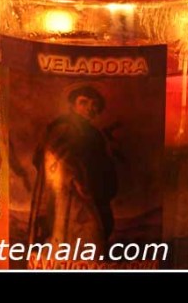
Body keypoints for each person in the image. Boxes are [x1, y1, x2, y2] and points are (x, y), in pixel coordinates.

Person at [28, 85, 118, 253]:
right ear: (72, 105)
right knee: (78, 230)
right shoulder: (63, 128)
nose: (89, 108)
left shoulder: (94, 133)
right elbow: (55, 158)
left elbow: (99, 162)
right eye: (83, 102)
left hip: (90, 190)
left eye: (94, 104)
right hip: (69, 193)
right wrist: (76, 181)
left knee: (94, 232)